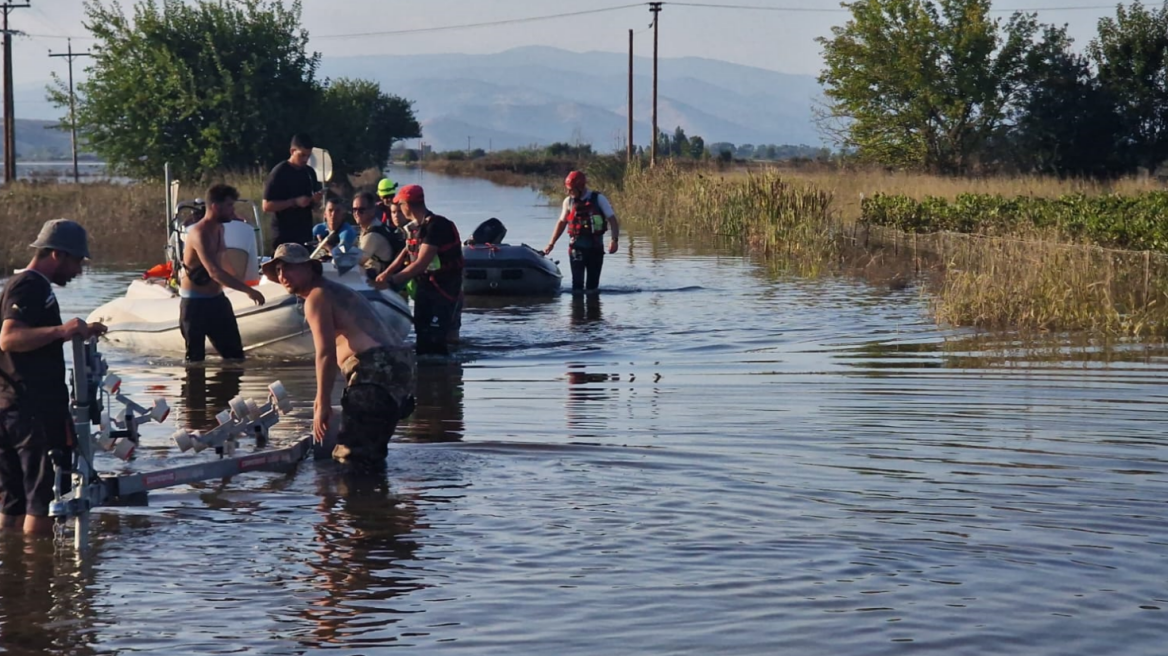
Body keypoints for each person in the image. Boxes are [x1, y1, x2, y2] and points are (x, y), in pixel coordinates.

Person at [261, 243, 414, 467]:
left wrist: (321, 402)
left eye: (290, 267)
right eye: (279, 270)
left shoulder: (317, 297)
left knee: (351, 459)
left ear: (310, 268)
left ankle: (357, 499)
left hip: (374, 372)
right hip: (400, 367)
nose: (283, 275)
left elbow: (325, 353)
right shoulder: (336, 291)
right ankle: (379, 499)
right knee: (371, 453)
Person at [0, 219, 106, 535]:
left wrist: (75, 333)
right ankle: (37, 576)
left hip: (10, 406)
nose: (78, 271)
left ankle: (12, 574)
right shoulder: (31, 286)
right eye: (76, 262)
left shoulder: (15, 284)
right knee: (41, 502)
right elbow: (9, 338)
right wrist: (62, 330)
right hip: (31, 411)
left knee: (11, 504)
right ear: (57, 255)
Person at [180, 183, 266, 363]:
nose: (233, 211)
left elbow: (224, 260)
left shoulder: (220, 228)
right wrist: (248, 291)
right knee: (195, 361)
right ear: (215, 207)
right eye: (229, 206)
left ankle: (226, 390)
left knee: (235, 357)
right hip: (194, 305)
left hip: (217, 301)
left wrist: (242, 280)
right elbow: (214, 272)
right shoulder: (199, 233)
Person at [377, 185, 464, 356]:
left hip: (444, 290)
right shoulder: (416, 228)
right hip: (425, 288)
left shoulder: (437, 226)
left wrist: (392, 281)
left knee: (436, 339)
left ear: (407, 205)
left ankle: (444, 376)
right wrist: (387, 272)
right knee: (422, 336)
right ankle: (425, 377)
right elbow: (407, 251)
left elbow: (421, 263)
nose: (399, 210)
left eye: (400, 206)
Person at [543, 170, 620, 292]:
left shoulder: (599, 199)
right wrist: (551, 244)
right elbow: (562, 223)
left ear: (581, 187)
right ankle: (576, 310)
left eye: (571, 189)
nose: (568, 192)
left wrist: (614, 240)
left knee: (592, 287)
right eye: (567, 189)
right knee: (577, 287)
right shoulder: (568, 202)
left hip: (595, 249)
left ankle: (593, 309)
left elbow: (613, 220)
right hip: (576, 249)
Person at [262, 133, 323, 250]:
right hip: (284, 236)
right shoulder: (279, 173)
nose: (305, 159)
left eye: (308, 156)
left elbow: (314, 205)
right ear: (292, 151)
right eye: (302, 155)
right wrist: (294, 202)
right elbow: (266, 206)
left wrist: (315, 201)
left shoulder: (310, 173)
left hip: (304, 234)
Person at [351, 191, 400, 280]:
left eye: (361, 210)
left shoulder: (372, 236)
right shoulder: (376, 226)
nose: (357, 213)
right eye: (354, 209)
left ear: (372, 211)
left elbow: (354, 263)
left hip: (381, 282)